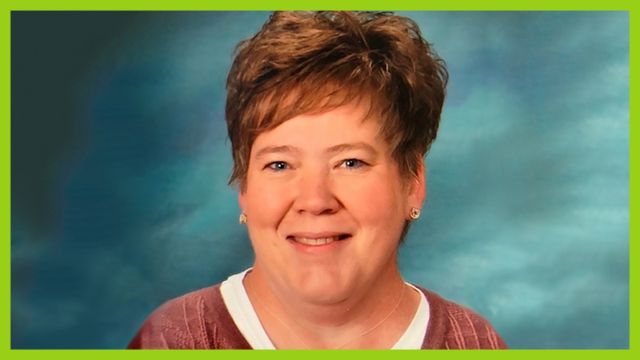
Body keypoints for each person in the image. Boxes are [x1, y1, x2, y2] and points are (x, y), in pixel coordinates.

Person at [127, 11, 507, 349]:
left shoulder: (472, 343)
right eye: (279, 165)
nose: (314, 199)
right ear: (244, 188)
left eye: (350, 162)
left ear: (413, 183)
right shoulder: (173, 341)